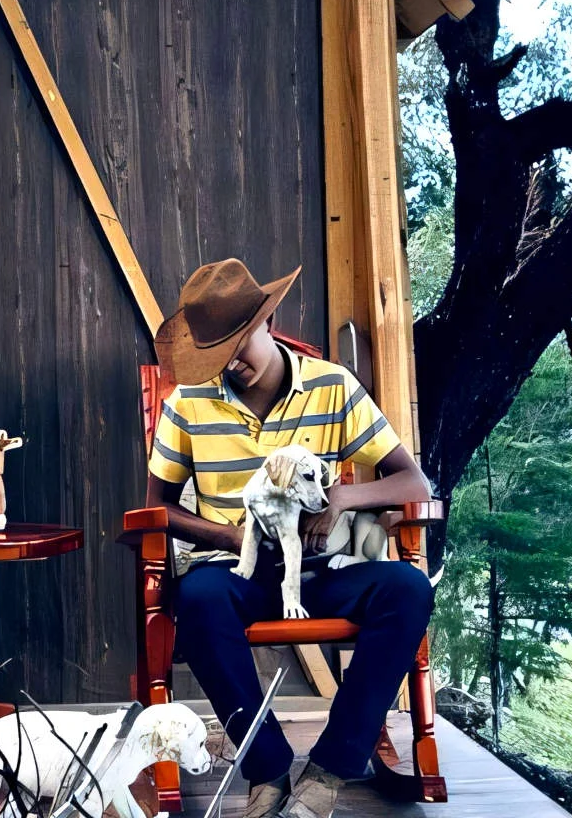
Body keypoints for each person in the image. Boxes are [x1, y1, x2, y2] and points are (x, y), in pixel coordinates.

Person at [145, 258, 434, 818]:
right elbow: (156, 507)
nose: (230, 364)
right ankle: (267, 768)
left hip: (322, 571)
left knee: (407, 589)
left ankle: (331, 768)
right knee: (198, 598)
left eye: (237, 346)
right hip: (239, 572)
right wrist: (228, 537)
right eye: (215, 355)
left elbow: (412, 482)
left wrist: (340, 498)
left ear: (267, 322)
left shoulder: (333, 387)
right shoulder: (188, 402)